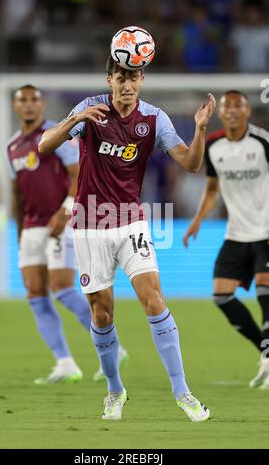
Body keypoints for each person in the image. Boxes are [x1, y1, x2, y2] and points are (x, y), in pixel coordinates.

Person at [39, 56, 216, 421]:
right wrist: (74, 121)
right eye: (121, 77)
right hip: (88, 225)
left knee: (153, 299)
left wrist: (199, 129)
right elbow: (43, 146)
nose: (127, 84)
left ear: (142, 80)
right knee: (102, 314)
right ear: (110, 79)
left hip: (130, 222)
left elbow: (193, 164)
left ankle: (182, 391)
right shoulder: (90, 109)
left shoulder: (154, 119)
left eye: (133, 77)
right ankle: (114, 390)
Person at [7, 85, 128, 384]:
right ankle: (65, 363)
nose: (29, 105)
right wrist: (19, 229)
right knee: (35, 293)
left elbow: (78, 173)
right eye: (23, 101)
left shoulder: (57, 135)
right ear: (15, 106)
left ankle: (113, 343)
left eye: (35, 99)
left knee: (61, 287)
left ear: (42, 104)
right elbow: (17, 193)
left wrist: (65, 211)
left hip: (60, 221)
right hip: (32, 227)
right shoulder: (12, 146)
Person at [183, 90, 269, 389]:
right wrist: (196, 221)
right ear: (220, 113)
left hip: (266, 231)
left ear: (247, 112)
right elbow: (211, 190)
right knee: (221, 294)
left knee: (264, 290)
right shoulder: (214, 145)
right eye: (227, 107)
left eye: (238, 107)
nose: (232, 111)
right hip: (236, 233)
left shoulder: (262, 142)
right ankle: (265, 351)